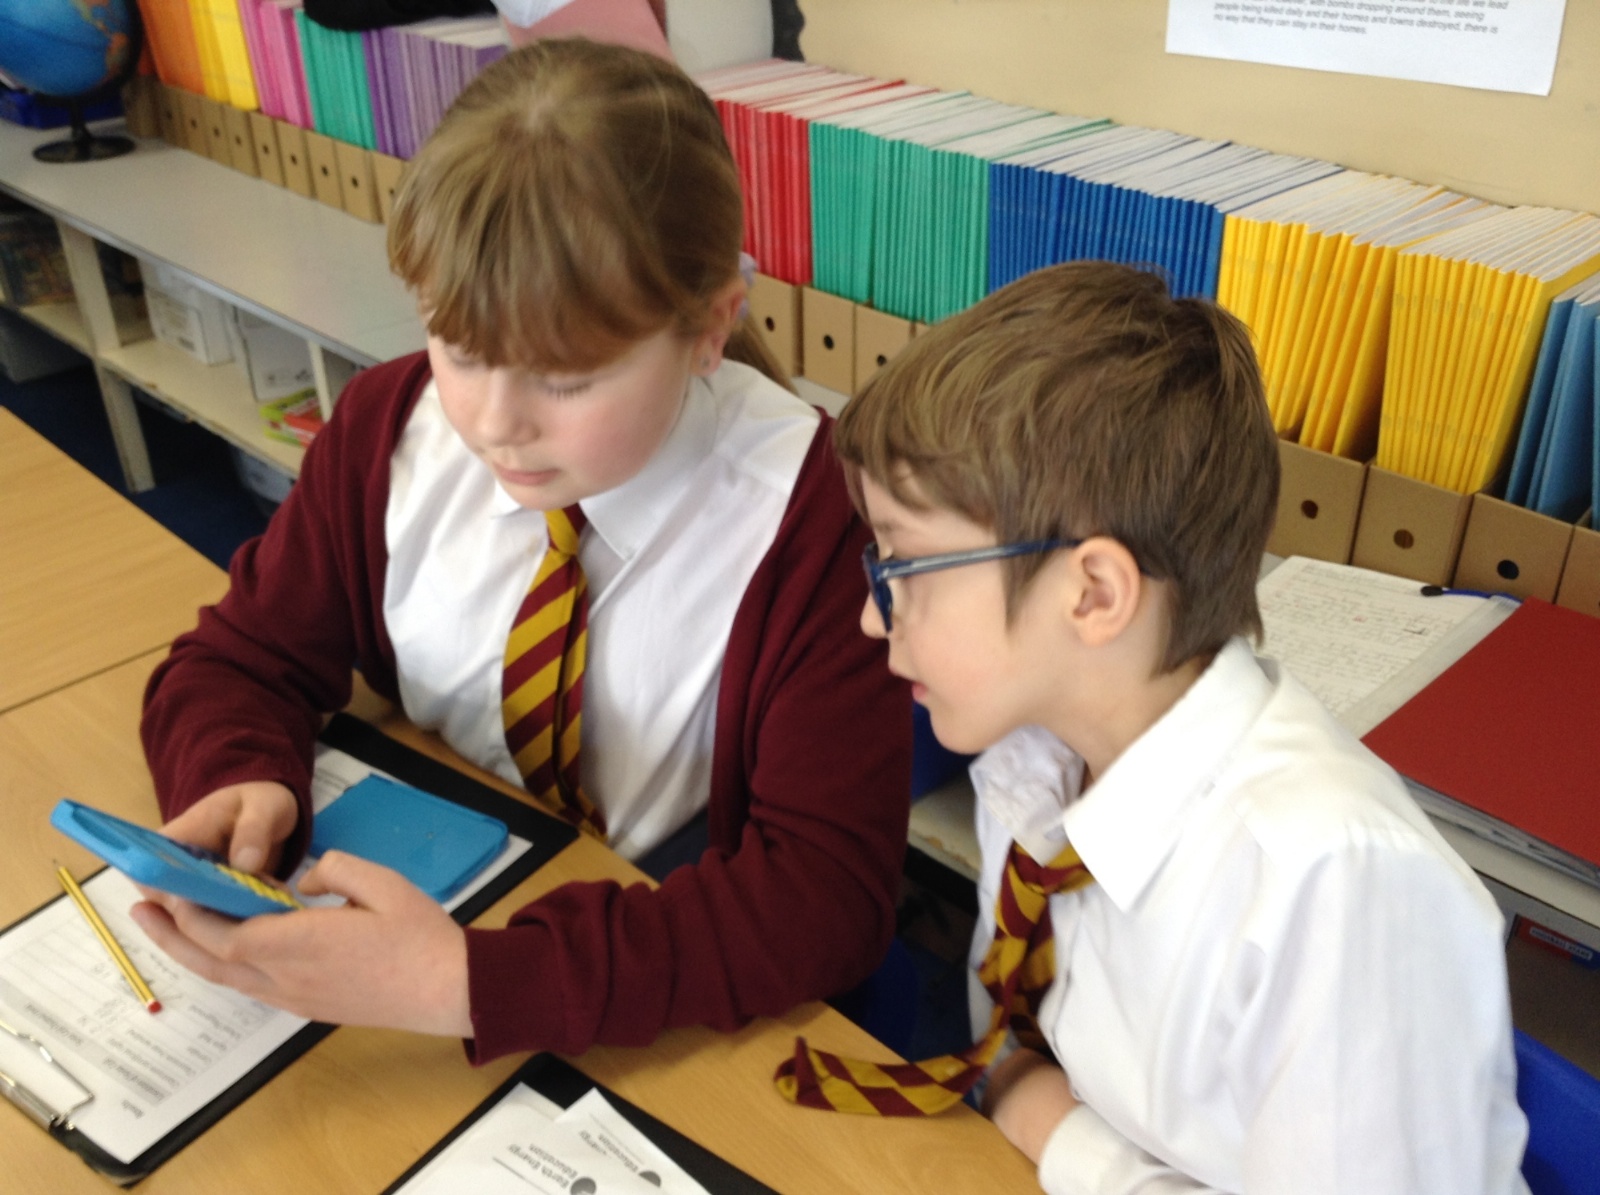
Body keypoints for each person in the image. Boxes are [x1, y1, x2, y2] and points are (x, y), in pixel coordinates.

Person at [132, 38, 911, 1062]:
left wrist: (467, 982)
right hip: (437, 898)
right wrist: (238, 774)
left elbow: (822, 901)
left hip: (632, 989)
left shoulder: (819, 522)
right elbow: (240, 658)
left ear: (710, 327)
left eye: (566, 378)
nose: (495, 423)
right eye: (461, 350)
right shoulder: (388, 425)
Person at [814, 261, 1529, 1193]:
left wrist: (1058, 1133)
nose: (873, 618)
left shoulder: (1331, 889)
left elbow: (1043, 1104)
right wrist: (1025, 1103)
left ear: (1094, 593)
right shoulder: (1037, 756)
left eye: (904, 566)